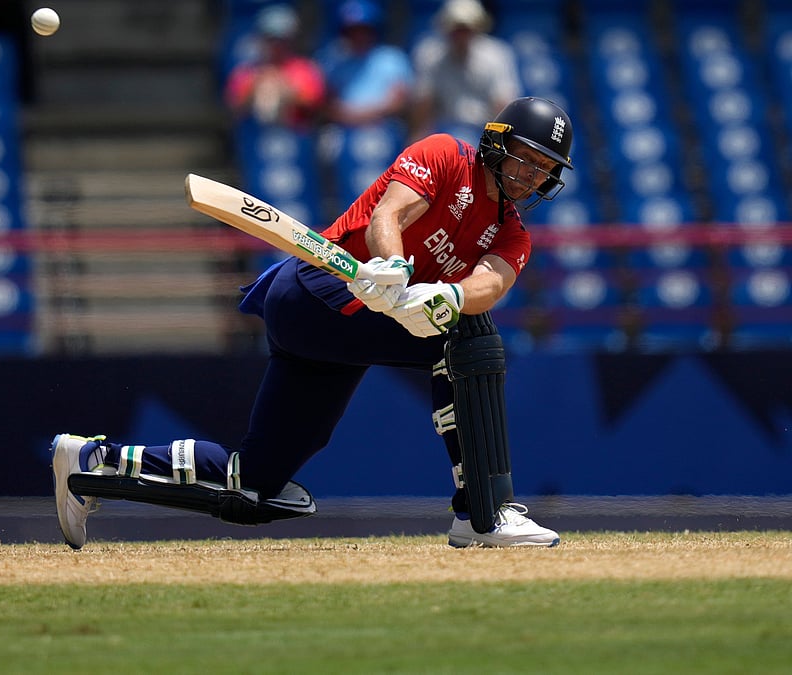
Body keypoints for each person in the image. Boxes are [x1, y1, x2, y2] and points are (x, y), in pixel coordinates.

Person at [52, 96, 575, 550]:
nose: (528, 175)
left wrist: (449, 295)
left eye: (541, 169)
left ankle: (91, 463)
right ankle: (483, 513)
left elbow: (493, 283)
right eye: (524, 158)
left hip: (337, 334)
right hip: (318, 291)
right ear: (497, 142)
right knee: (469, 341)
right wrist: (391, 269)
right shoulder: (444, 153)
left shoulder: (514, 233)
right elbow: (389, 214)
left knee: (254, 483)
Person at [408, 0, 521, 144]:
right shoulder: (429, 55)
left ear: (476, 27)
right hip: (442, 132)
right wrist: (418, 138)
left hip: (484, 131)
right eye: (456, 28)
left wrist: (498, 143)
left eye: (465, 28)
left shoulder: (498, 55)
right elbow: (423, 103)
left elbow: (503, 105)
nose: (461, 35)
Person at [223, 3, 325, 129]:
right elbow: (234, 107)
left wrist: (287, 91)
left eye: (281, 40)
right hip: (255, 136)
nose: (276, 45)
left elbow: (315, 104)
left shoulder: (304, 69)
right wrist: (256, 87)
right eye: (271, 39)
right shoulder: (246, 71)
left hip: (293, 135)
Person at [316, 0, 413, 129]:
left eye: (364, 30)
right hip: (345, 128)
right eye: (353, 30)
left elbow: (400, 102)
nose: (359, 35)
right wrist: (355, 118)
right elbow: (329, 105)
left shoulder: (392, 58)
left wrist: (367, 115)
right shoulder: (335, 62)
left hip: (384, 127)